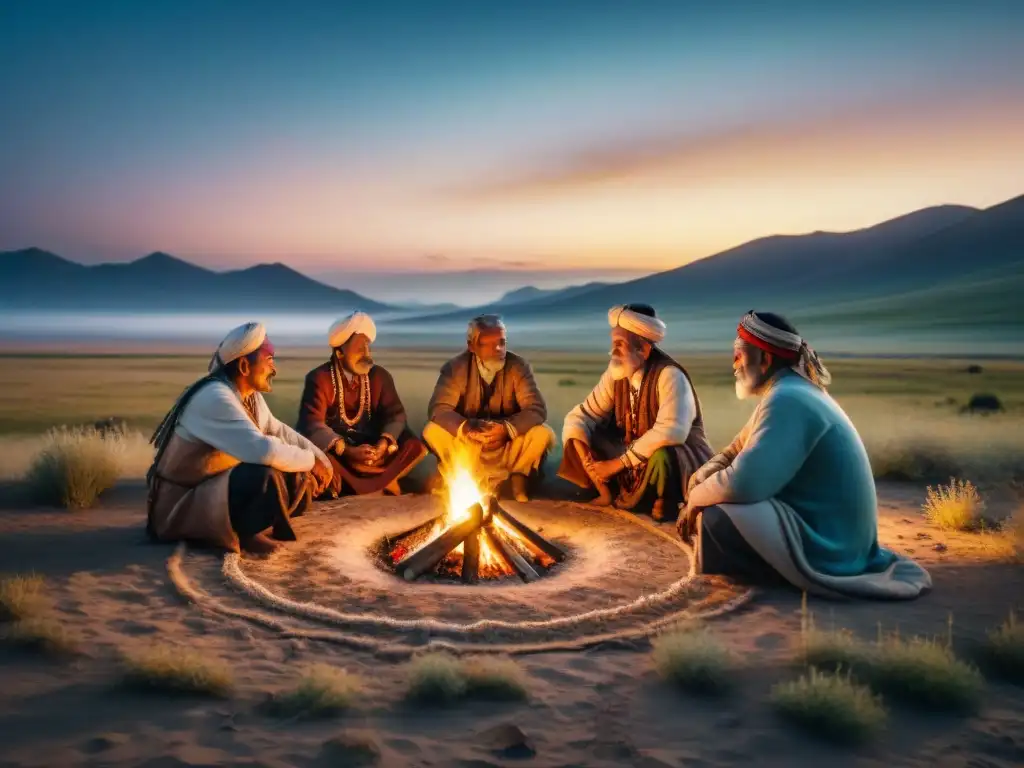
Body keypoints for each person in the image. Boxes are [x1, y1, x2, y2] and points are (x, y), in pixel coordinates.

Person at [677, 311, 931, 599]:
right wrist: (701, 477)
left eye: (738, 355)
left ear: (765, 359)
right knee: (713, 500)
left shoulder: (788, 399)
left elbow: (745, 483)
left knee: (715, 516)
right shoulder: (789, 391)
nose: (733, 364)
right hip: (839, 535)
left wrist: (695, 501)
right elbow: (735, 450)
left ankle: (767, 580)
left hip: (831, 545)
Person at [146, 322, 333, 555]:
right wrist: (310, 461)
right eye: (269, 360)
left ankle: (253, 520)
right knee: (262, 474)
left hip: (212, 488)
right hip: (181, 505)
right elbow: (263, 450)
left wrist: (320, 458)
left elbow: (277, 430)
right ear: (245, 366)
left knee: (295, 477)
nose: (274, 370)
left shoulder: (248, 396)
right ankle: (246, 534)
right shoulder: (214, 397)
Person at [558, 304, 714, 521]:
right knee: (589, 433)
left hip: (672, 461)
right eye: (613, 344)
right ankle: (605, 492)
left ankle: (665, 500)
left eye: (620, 344)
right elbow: (581, 415)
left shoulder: (669, 375)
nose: (613, 351)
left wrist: (616, 465)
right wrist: (587, 457)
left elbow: (671, 432)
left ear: (643, 349)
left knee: (663, 453)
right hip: (631, 456)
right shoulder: (616, 372)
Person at [423, 314, 555, 501]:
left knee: (542, 433)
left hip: (508, 443)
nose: (498, 349)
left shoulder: (518, 366)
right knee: (433, 431)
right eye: (489, 344)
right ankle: (464, 481)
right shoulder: (455, 368)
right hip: (470, 445)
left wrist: (506, 429)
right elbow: (439, 409)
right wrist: (467, 428)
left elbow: (536, 408)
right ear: (472, 346)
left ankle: (518, 483)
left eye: (502, 342)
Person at [295, 311, 427, 497]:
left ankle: (380, 482)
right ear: (339, 353)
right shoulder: (320, 378)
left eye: (368, 348)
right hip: (342, 456)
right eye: (359, 349)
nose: (366, 355)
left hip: (375, 452)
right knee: (315, 453)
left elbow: (395, 414)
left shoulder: (380, 376)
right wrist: (348, 451)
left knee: (413, 444)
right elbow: (312, 423)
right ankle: (382, 485)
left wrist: (383, 444)